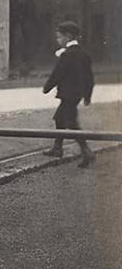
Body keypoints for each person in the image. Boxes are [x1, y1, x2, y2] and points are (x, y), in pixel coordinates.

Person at [41, 20, 95, 167]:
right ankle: (58, 148)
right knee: (59, 118)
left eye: (59, 37)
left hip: (67, 94)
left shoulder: (67, 55)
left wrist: (47, 87)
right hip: (76, 95)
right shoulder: (84, 54)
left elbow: (57, 74)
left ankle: (86, 151)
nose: (58, 40)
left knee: (71, 123)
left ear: (68, 36)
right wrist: (87, 96)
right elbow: (89, 78)